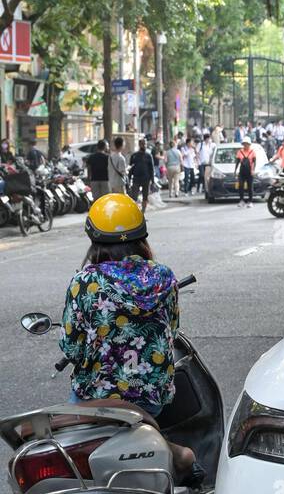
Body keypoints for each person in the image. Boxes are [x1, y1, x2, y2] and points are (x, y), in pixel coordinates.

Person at [59, 194, 194, 472]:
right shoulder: (164, 277)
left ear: (93, 239)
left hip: (94, 399)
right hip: (151, 400)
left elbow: (71, 349)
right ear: (141, 235)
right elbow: (172, 329)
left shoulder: (85, 282)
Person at [129, 138, 156, 210]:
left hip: (146, 179)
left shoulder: (149, 155)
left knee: (145, 196)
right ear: (139, 145)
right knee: (134, 197)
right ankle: (135, 211)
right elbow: (130, 168)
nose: (144, 145)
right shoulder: (134, 155)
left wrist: (153, 181)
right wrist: (129, 180)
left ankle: (143, 212)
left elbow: (152, 169)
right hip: (136, 179)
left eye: (145, 144)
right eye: (143, 144)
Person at [235, 135, 256, 207]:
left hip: (249, 171)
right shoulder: (240, 151)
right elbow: (237, 161)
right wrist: (235, 171)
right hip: (242, 171)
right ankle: (241, 200)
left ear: (249, 144)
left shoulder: (252, 152)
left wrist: (253, 170)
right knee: (241, 185)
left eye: (247, 144)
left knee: (250, 186)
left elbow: (254, 162)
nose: (245, 145)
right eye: (244, 144)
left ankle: (250, 201)